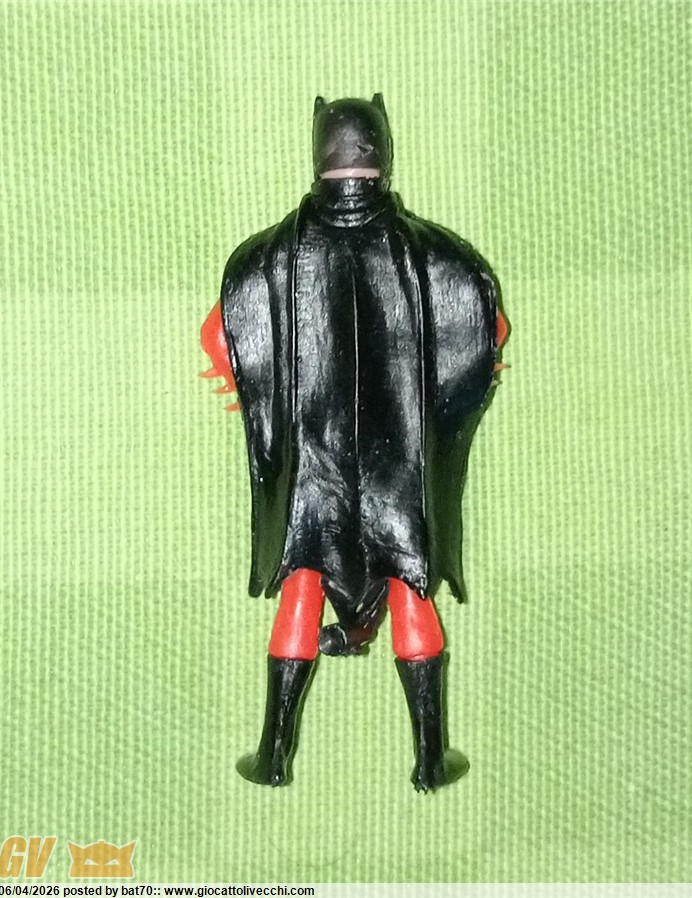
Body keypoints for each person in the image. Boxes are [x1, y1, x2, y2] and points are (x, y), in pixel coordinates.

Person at [201, 95, 508, 790]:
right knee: (410, 587)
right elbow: (488, 327)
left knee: (301, 586)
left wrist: (252, 390)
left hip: (312, 470)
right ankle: (430, 759)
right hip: (400, 471)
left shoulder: (271, 255)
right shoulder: (435, 252)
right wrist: (462, 384)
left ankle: (273, 755)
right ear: (380, 149)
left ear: (319, 151)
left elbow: (220, 333)